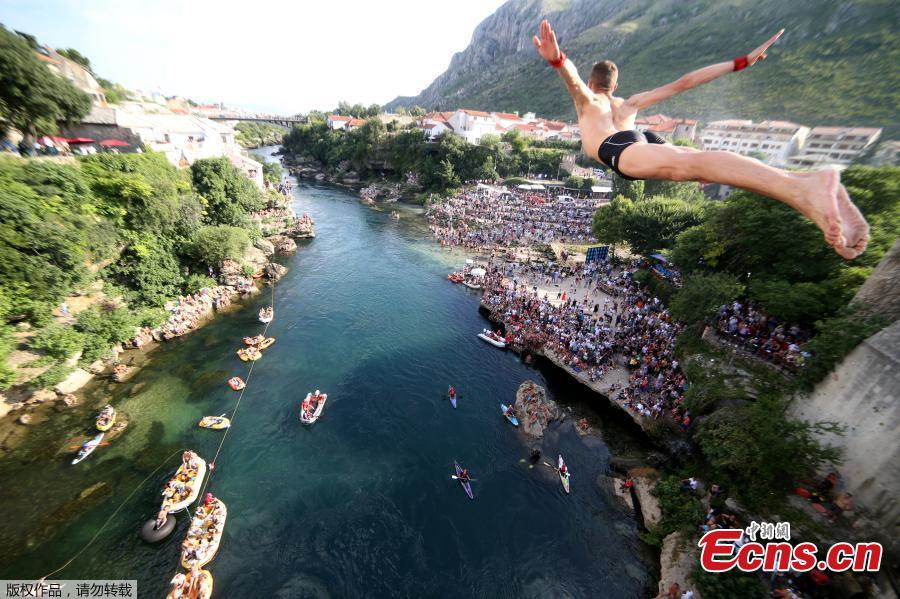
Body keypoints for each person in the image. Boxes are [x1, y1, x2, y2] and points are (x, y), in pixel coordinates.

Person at [532, 19, 869, 260]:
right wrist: (739, 63)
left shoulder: (589, 101)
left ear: (594, 83)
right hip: (639, 139)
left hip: (618, 149)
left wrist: (558, 60)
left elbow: (572, 80)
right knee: (705, 168)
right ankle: (803, 189)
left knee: (693, 165)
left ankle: (806, 187)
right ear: (615, 85)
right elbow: (683, 83)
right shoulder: (629, 103)